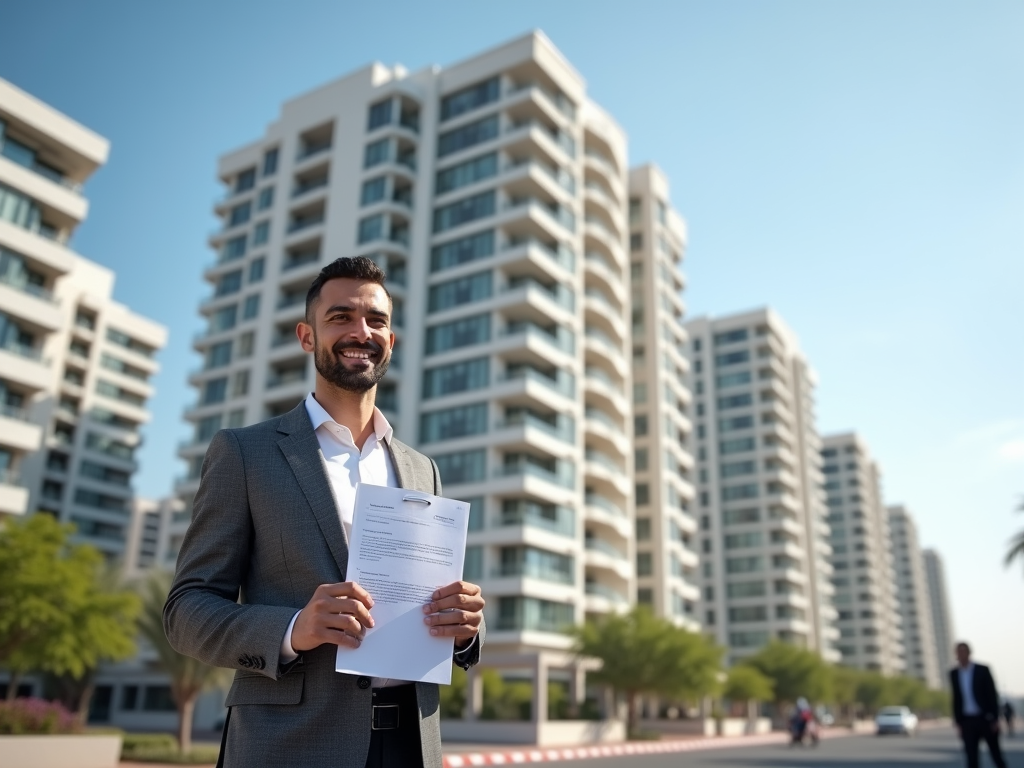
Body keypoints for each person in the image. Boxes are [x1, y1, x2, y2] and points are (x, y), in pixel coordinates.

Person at [164, 257, 486, 768]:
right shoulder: (246, 453)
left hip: (413, 743)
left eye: (376, 320)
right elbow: (186, 612)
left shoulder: (423, 469)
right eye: (340, 317)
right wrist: (295, 627)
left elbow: (439, 605)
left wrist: (467, 627)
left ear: (391, 341)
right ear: (306, 336)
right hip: (289, 745)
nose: (361, 332)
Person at [950, 642, 1007, 768]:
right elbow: (956, 698)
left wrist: (995, 718)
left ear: (969, 653)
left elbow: (992, 695)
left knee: (996, 755)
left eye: (963, 651)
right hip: (967, 720)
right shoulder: (954, 673)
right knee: (971, 757)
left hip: (985, 718)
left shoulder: (982, 670)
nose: (961, 654)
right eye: (958, 652)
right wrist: (958, 722)